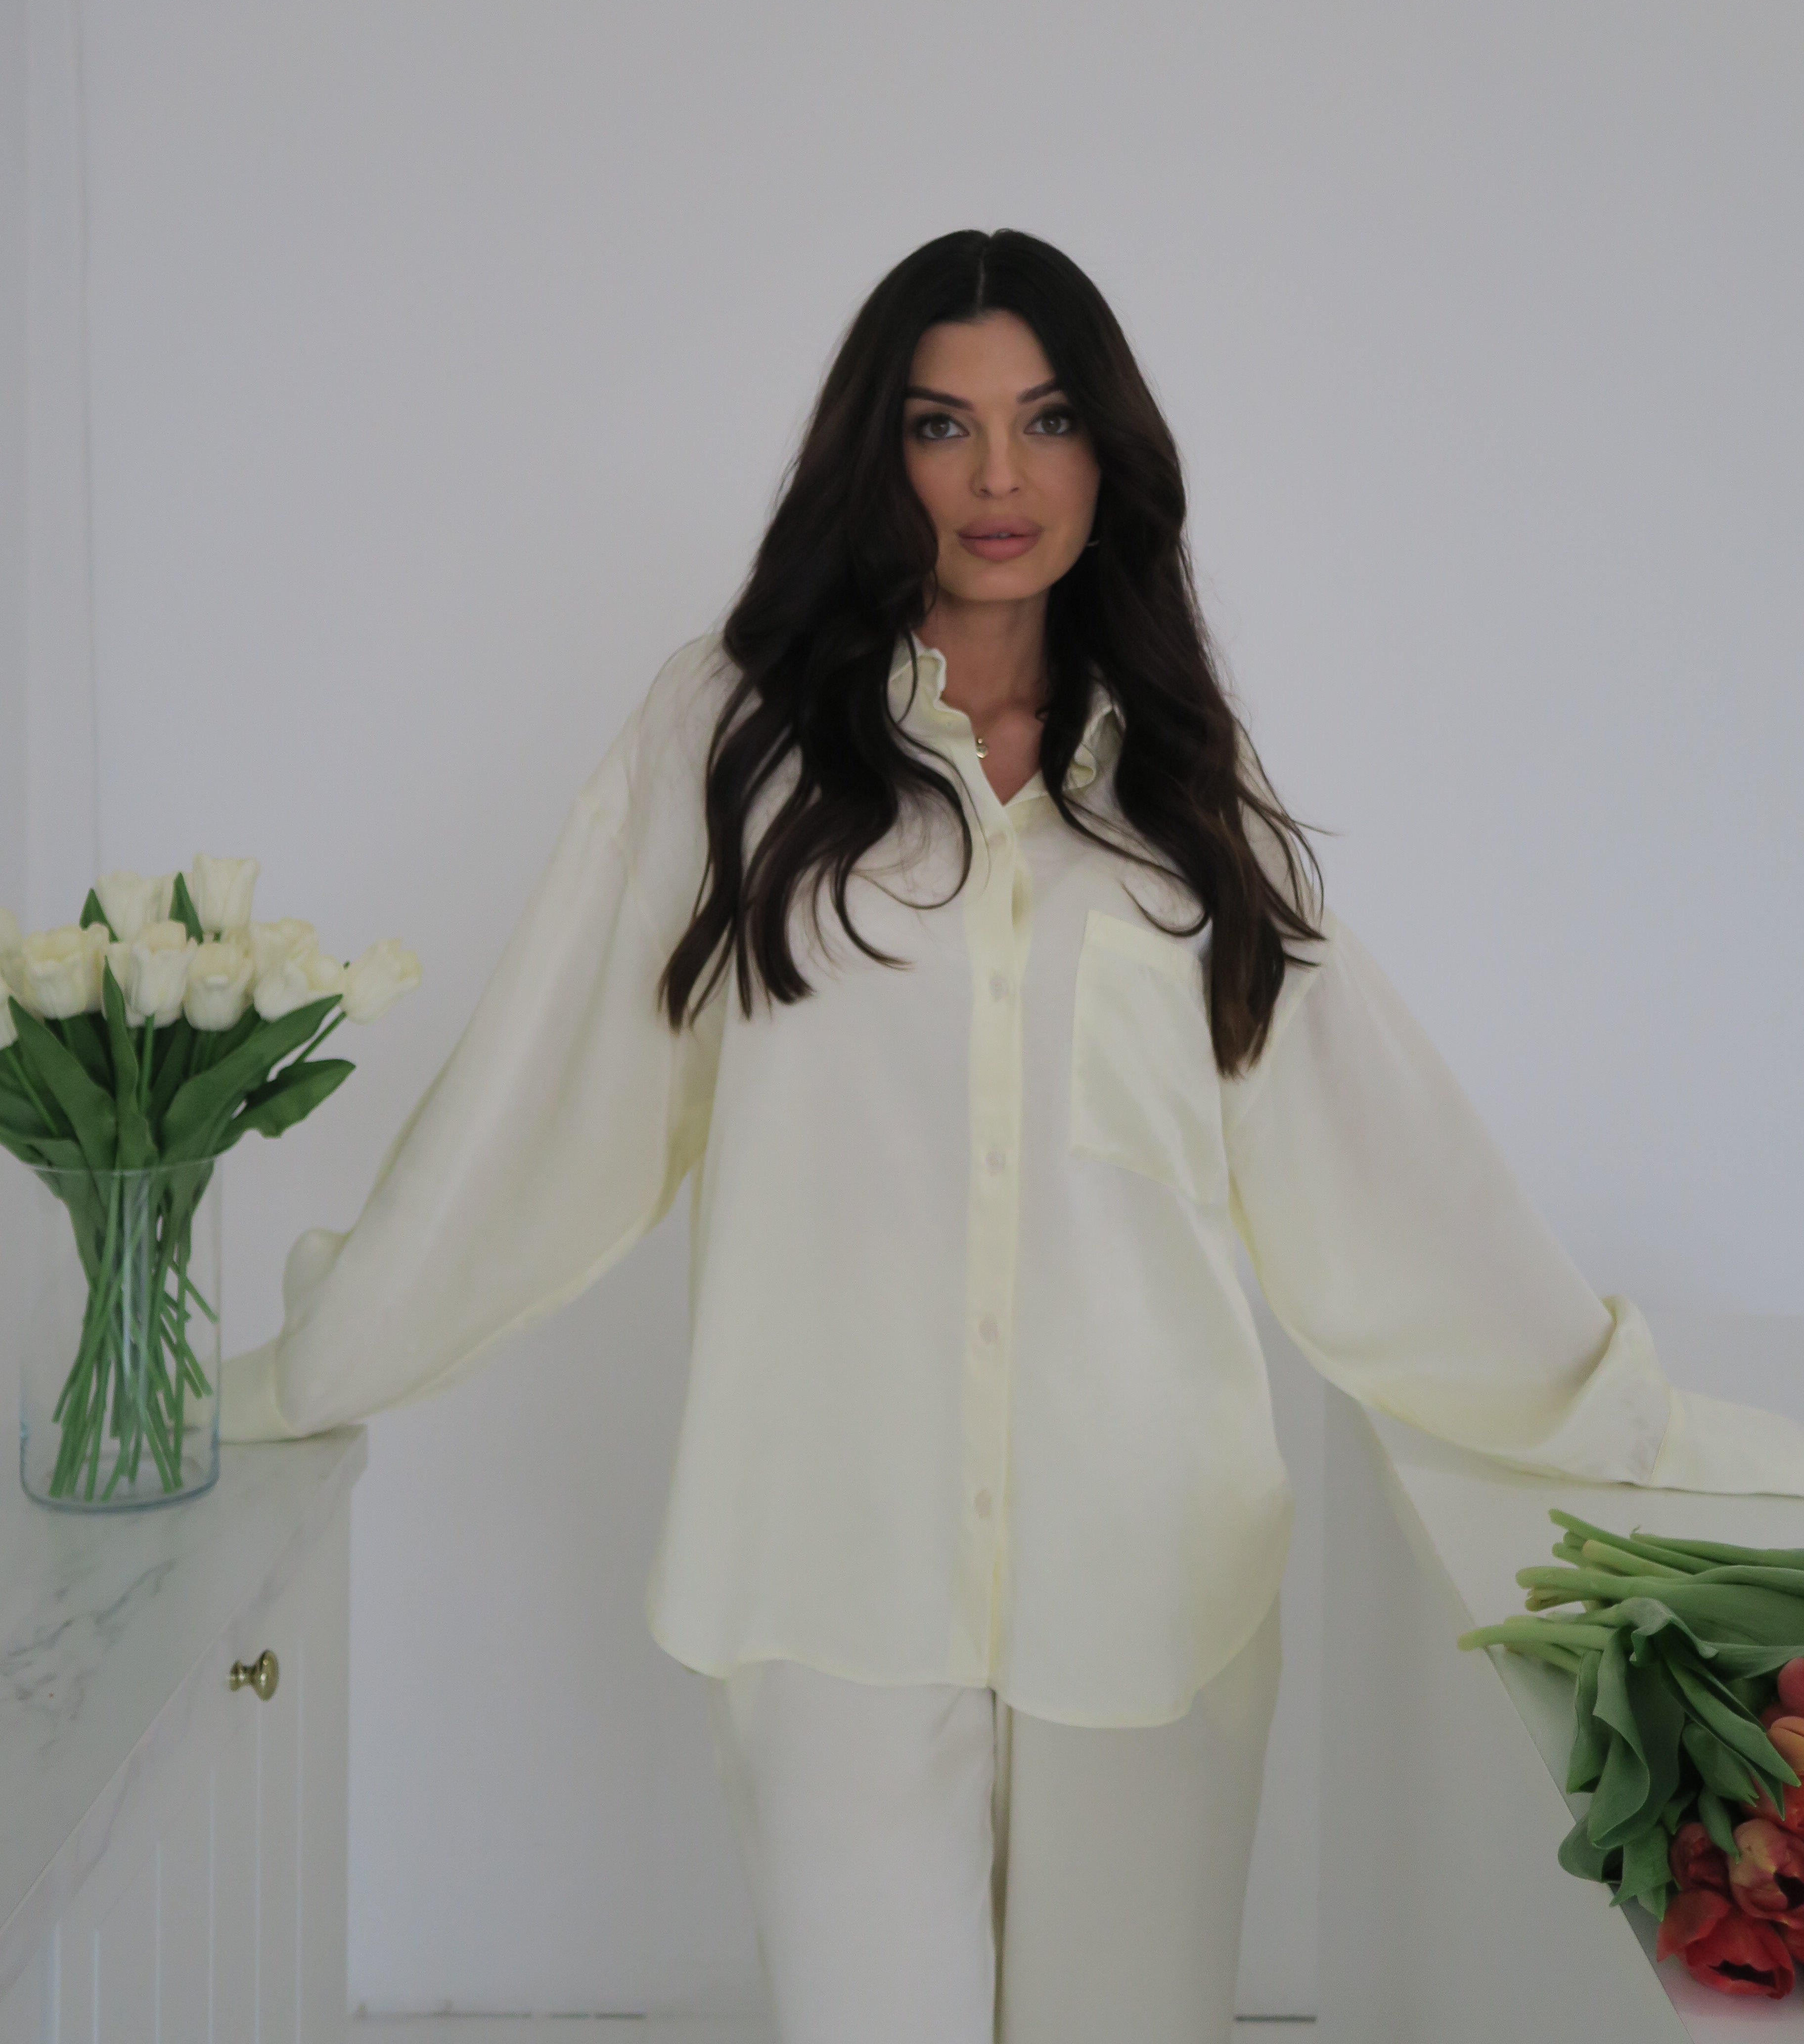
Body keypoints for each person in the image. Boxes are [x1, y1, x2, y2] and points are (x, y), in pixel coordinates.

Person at [223, 227, 1804, 2044]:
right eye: (942, 424)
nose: (998, 477)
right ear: (874, 450)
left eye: (1046, 421)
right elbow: (545, 1101)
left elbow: (1371, 1148)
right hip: (828, 1570)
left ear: (1106, 453)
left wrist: (1620, 1413)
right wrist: (316, 1365)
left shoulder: (1185, 786)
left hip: (1152, 1578)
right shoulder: (726, 739)